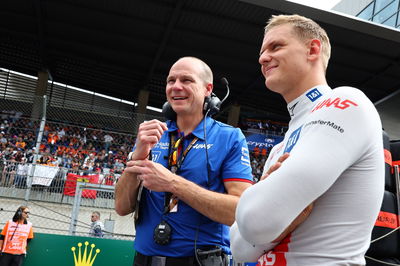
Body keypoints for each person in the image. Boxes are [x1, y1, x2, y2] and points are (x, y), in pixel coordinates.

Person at [230, 14, 384, 265]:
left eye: (275, 46)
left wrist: (265, 217)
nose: (262, 58)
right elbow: (240, 249)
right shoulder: (279, 146)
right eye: (261, 51)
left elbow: (255, 222)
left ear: (312, 50)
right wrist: (266, 216)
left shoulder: (347, 102)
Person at [115, 56, 253, 266]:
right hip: (144, 259)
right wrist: (138, 156)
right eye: (171, 81)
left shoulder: (230, 137)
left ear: (208, 89)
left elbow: (239, 212)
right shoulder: (152, 135)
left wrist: (172, 183)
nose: (176, 87)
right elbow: (122, 207)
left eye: (186, 80)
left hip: (200, 260)